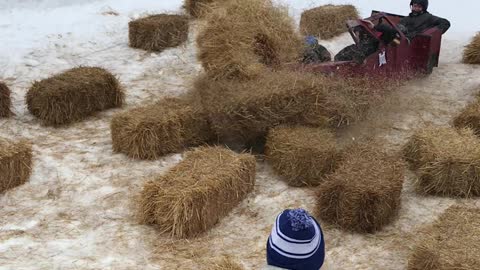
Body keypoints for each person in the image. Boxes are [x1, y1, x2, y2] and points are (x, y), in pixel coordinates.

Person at [334, 0, 450, 63]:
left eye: (419, 6)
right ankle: (349, 54)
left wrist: (431, 33)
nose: (416, 8)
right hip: (396, 35)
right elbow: (398, 27)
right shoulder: (407, 18)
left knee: (385, 31)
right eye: (414, 6)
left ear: (423, 8)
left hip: (404, 38)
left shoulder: (428, 17)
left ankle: (374, 30)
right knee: (377, 38)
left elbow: (446, 23)